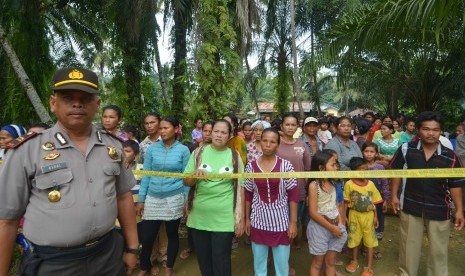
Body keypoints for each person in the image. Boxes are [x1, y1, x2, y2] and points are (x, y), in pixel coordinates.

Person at [0, 67, 139, 276]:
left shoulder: (113, 147)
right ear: (53, 103)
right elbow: (7, 221)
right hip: (54, 264)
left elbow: (124, 197)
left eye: (85, 98)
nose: (77, 103)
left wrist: (132, 248)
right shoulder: (26, 150)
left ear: (97, 105)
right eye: (67, 98)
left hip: (107, 256)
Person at [390, 111, 465, 276]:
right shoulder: (405, 149)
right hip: (410, 205)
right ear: (418, 130)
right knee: (408, 248)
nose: (431, 133)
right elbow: (396, 172)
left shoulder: (450, 157)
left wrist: (459, 210)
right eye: (426, 129)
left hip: (439, 208)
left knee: (438, 251)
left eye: (435, 129)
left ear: (441, 131)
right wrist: (394, 195)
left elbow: (456, 185)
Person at [183, 119, 245, 276]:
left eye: (224, 132)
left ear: (230, 135)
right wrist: (194, 175)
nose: (219, 135)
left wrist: (241, 219)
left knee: (222, 260)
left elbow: (241, 188)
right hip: (199, 217)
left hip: (224, 218)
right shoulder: (198, 153)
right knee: (204, 260)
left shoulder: (235, 157)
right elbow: (186, 181)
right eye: (216, 131)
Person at [136, 116, 190, 276]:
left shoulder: (183, 150)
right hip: (153, 198)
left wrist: (185, 201)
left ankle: (169, 267)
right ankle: (145, 266)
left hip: (174, 198)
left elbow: (186, 177)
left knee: (172, 234)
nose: (162, 131)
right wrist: (141, 199)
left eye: (166, 128)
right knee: (147, 237)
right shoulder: (152, 149)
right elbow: (146, 175)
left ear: (176, 129)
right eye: (161, 128)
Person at [245, 128, 298, 276]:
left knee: (282, 268)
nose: (268, 144)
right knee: (259, 266)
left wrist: (293, 222)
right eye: (265, 140)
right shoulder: (251, 166)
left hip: (281, 222)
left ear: (278, 145)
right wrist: (246, 219)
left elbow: (293, 195)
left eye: (272, 141)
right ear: (260, 142)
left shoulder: (286, 166)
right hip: (258, 221)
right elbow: (248, 193)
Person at [307, 150, 347, 276]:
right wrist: (332, 228)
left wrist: (340, 225)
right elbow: (313, 213)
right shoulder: (314, 186)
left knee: (330, 262)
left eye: (336, 165)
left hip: (335, 227)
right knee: (317, 263)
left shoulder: (334, 184)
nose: (337, 168)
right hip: (319, 229)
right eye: (333, 165)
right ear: (321, 168)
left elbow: (336, 205)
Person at [277, 113, 311, 249]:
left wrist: (306, 190)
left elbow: (307, 169)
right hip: (277, 192)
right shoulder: (275, 143)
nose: (290, 128)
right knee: (277, 225)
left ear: (297, 127)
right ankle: (272, 256)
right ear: (282, 126)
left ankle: (285, 258)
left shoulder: (302, 145)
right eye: (287, 124)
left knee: (293, 224)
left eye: (293, 125)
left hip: (297, 191)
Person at [343, 157, 383, 276]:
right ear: (353, 171)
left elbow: (375, 202)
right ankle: (354, 261)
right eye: (361, 170)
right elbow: (345, 202)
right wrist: (344, 216)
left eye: (366, 170)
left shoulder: (370, 184)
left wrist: (375, 217)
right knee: (354, 238)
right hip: (354, 215)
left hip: (369, 216)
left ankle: (369, 266)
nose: (364, 172)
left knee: (370, 241)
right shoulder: (349, 184)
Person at [362, 143, 389, 241]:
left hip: (378, 199)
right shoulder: (360, 167)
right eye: (366, 151)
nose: (369, 154)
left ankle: (373, 243)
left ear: (376, 154)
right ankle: (364, 244)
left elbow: (385, 184)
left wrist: (385, 200)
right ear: (362, 152)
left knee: (378, 218)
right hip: (363, 198)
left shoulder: (380, 168)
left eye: (372, 152)